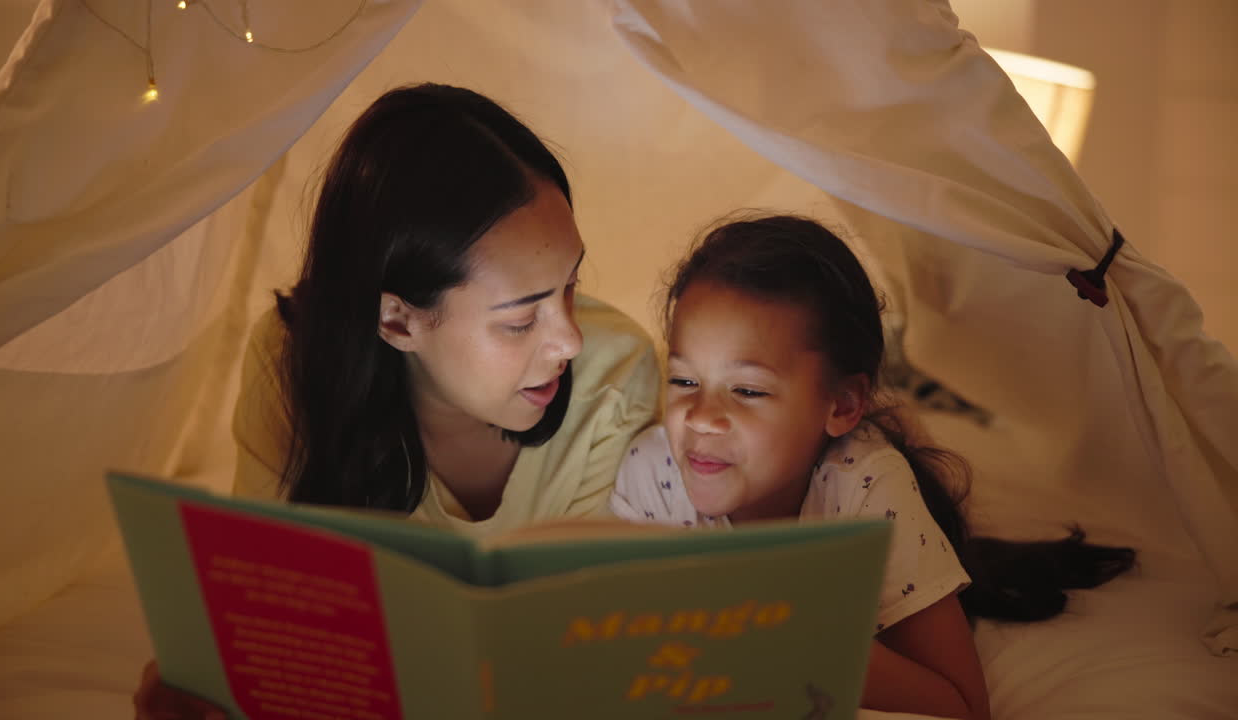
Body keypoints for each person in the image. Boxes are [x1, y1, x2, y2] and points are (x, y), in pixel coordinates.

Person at [133, 82, 660, 719]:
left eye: (570, 285)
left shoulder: (614, 375)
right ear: (399, 322)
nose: (569, 339)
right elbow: (271, 613)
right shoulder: (294, 361)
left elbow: (589, 643)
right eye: (521, 320)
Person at [609, 214, 1136, 720]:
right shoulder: (651, 475)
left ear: (841, 406)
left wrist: (792, 633)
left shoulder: (863, 489)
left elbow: (963, 708)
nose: (700, 418)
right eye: (682, 381)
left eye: (747, 390)